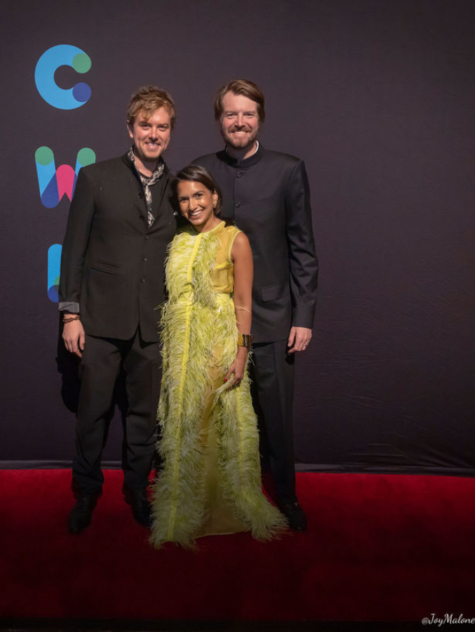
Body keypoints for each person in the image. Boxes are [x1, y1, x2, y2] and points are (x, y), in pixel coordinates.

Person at [193, 80, 318, 531]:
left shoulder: (288, 170)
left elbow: (302, 248)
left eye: (247, 113)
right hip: (214, 321)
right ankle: (219, 497)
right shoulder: (200, 170)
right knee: (214, 418)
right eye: (230, 114)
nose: (239, 122)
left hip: (271, 320)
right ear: (219, 120)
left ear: (259, 117)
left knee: (276, 419)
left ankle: (286, 496)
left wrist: (303, 316)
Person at [58, 86, 179, 533]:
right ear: (130, 128)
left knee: (145, 418)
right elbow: (73, 251)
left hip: (154, 323)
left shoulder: (182, 187)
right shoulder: (95, 177)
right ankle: (86, 493)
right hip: (100, 322)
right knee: (92, 414)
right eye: (145, 125)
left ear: (170, 132)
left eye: (161, 126)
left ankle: (136, 490)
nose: (153, 134)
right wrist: (71, 315)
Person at [150, 165, 286, 549]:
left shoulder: (235, 239)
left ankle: (221, 509)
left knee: (213, 423)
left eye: (198, 196)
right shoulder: (179, 240)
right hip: (180, 347)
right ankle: (183, 510)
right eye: (184, 199)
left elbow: (243, 301)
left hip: (218, 344)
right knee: (182, 422)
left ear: (214, 196)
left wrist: (242, 352)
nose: (192, 205)